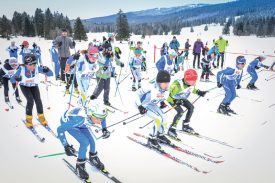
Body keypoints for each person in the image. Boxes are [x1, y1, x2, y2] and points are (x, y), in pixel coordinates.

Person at [57, 102, 107, 181]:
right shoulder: (80, 119)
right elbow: (59, 129)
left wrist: (104, 129)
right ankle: (80, 165)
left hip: (82, 124)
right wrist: (66, 146)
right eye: (99, 119)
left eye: (102, 118)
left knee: (92, 140)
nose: (101, 121)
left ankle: (93, 157)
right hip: (71, 124)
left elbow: (102, 117)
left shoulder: (95, 115)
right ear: (91, 115)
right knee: (85, 142)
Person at [10, 53, 53, 128]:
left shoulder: (37, 68)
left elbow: (50, 74)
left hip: (34, 86)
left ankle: (41, 117)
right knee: (30, 100)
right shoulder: (21, 69)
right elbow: (12, 80)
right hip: (24, 86)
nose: (33, 66)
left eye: (35, 64)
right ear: (26, 64)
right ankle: (28, 120)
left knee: (38, 100)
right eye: (31, 65)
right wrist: (17, 78)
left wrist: (47, 69)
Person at [135, 70, 172, 149]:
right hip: (143, 104)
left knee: (163, 117)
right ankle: (151, 139)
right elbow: (136, 94)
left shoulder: (166, 88)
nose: (167, 85)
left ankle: (160, 135)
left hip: (151, 104)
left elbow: (161, 96)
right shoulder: (150, 87)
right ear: (159, 82)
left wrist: (162, 102)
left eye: (168, 82)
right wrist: (139, 106)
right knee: (158, 119)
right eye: (164, 83)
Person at [167, 69, 207, 137]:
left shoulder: (191, 83)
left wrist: (199, 92)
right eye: (193, 80)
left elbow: (192, 89)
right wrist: (176, 101)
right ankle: (172, 129)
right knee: (180, 112)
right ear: (186, 79)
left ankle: (185, 125)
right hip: (172, 99)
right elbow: (169, 93)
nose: (195, 82)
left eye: (195, 80)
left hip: (182, 98)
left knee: (191, 107)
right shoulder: (177, 85)